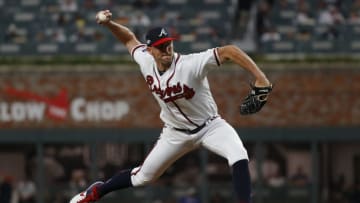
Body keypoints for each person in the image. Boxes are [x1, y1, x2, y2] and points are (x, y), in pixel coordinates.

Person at [70, 9, 272, 203]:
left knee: (239, 154)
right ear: (150, 50)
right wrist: (109, 24)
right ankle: (98, 190)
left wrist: (260, 78)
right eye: (160, 46)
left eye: (168, 44)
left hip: (211, 126)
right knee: (143, 177)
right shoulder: (145, 61)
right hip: (175, 133)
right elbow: (129, 39)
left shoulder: (190, 64)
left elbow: (229, 51)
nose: (166, 49)